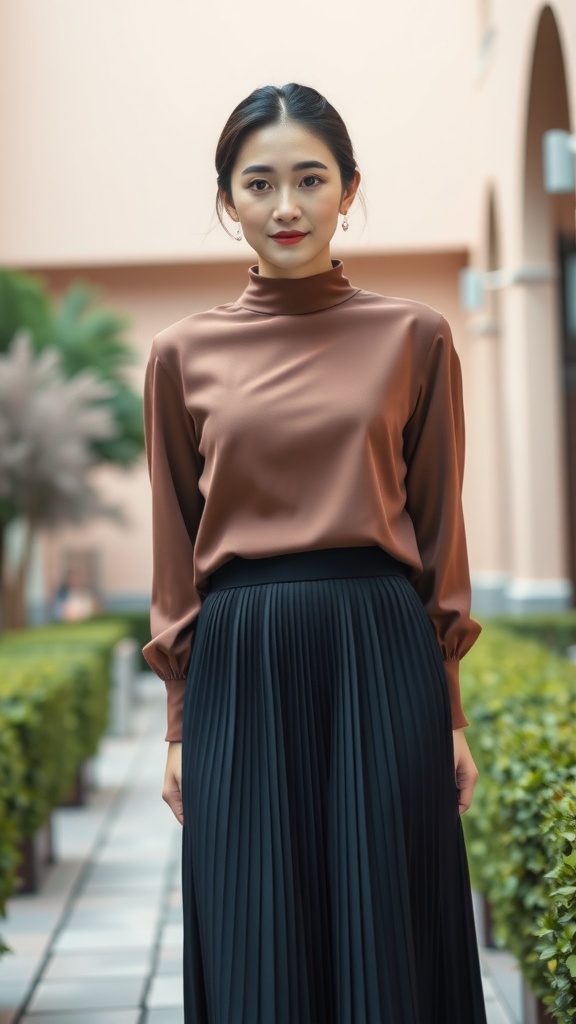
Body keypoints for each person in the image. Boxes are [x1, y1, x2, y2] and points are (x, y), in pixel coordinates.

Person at [143, 82, 487, 1024]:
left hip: (379, 652)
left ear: (348, 189)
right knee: (256, 924)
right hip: (239, 660)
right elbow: (176, 548)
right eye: (259, 183)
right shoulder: (180, 354)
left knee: (389, 924)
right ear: (228, 201)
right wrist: (178, 721)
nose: (285, 206)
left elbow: (439, 533)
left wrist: (448, 709)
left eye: (310, 179)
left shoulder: (414, 338)